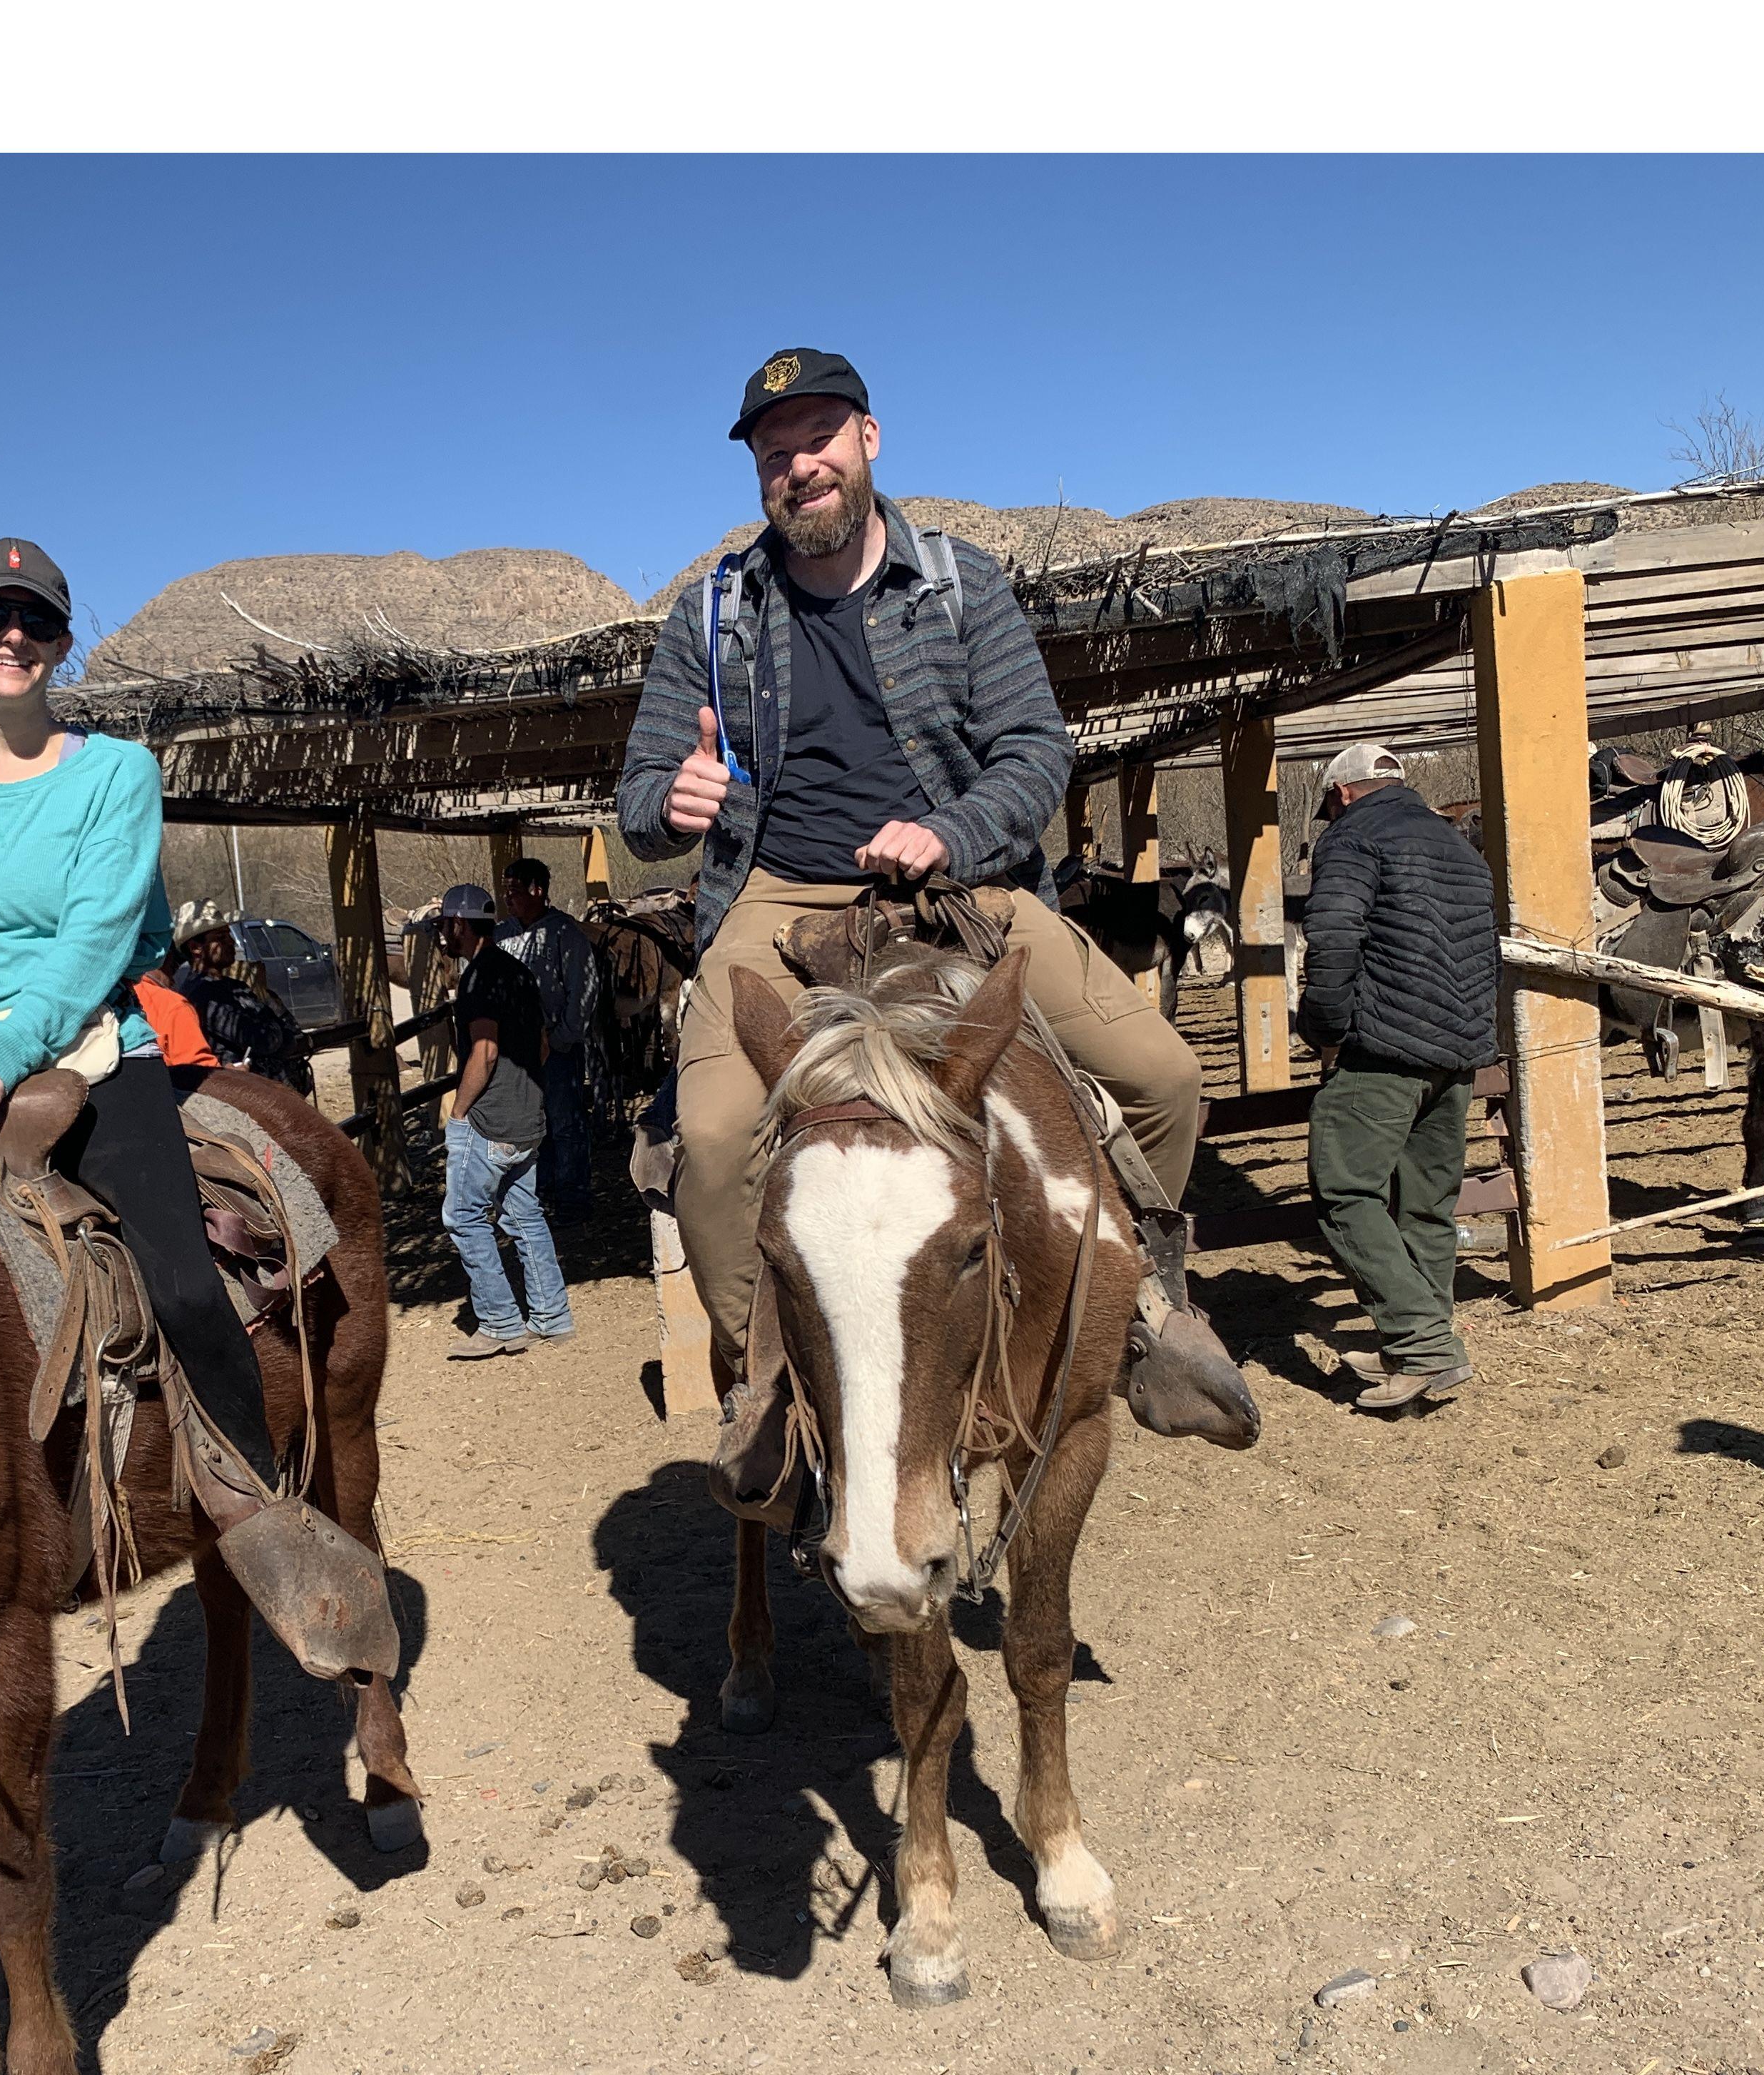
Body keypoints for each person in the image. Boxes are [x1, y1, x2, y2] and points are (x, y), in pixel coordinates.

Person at [616, 346, 1257, 1478]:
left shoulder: (962, 586)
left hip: (960, 886)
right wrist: (671, 803)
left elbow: (1033, 750)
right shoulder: (712, 616)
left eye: (817, 440)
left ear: (868, 440)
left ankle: (1131, 1304)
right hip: (780, 891)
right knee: (711, 1146)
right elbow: (637, 803)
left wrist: (951, 833)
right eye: (774, 453)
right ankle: (774, 1376)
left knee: (1164, 1077)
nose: (797, 466)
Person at [0, 538, 392, 1673]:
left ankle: (263, 1517)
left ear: (61, 644)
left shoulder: (114, 776)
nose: (12, 639)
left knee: (188, 1283)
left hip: (87, 1054)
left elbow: (95, 940)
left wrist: (2, 1052)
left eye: (35, 622)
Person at [1295, 741, 1500, 1413]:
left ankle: (1421, 1344)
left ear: (1343, 793)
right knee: (1426, 1204)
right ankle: (1422, 1347)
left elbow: (1331, 937)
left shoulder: (1353, 840)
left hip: (1382, 1052)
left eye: (1329, 805)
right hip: (1458, 1054)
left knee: (1344, 1192)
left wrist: (1322, 1031)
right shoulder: (1459, 847)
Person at [434, 882, 570, 1359]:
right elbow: (543, 1044)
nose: (444, 934)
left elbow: (485, 1052)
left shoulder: (476, 981)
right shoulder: (518, 972)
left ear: (459, 925)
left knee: (464, 1216)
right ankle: (551, 1316)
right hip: (528, 1116)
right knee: (523, 1214)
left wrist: (459, 1113)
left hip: (490, 1121)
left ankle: (500, 1323)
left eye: (446, 925)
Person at [496, 853, 599, 1216]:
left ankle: (573, 1197)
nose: (509, 899)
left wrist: (561, 1038)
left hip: (556, 1050)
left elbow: (583, 989)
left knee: (566, 1122)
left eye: (516, 891)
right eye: (506, 891)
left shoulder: (565, 934)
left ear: (538, 891)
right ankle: (543, 1193)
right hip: (517, 1054)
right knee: (532, 1127)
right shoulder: (502, 936)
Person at [170, 901, 311, 1093]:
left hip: (273, 1095)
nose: (232, 942)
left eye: (229, 935)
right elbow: (266, 1040)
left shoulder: (235, 987)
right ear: (196, 948)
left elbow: (291, 1031)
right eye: (221, 937)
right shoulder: (204, 997)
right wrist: (279, 1033)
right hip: (251, 1099)